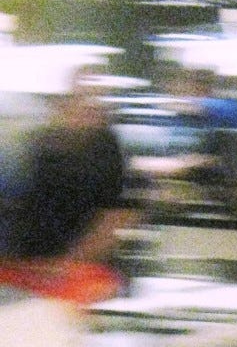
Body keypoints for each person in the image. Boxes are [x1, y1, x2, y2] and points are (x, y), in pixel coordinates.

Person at [0, 65, 138, 271]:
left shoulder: (107, 146)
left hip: (73, 271)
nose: (88, 108)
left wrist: (71, 264)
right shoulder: (36, 143)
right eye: (79, 97)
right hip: (25, 264)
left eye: (94, 98)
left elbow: (118, 214)